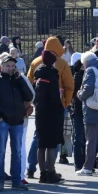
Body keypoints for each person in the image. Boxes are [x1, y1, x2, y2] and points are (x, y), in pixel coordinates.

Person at [30, 51, 64, 183]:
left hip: (40, 112)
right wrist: (60, 108)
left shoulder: (38, 73)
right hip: (51, 112)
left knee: (41, 144)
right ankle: (51, 172)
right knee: (51, 144)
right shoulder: (52, 74)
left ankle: (42, 173)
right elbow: (55, 97)